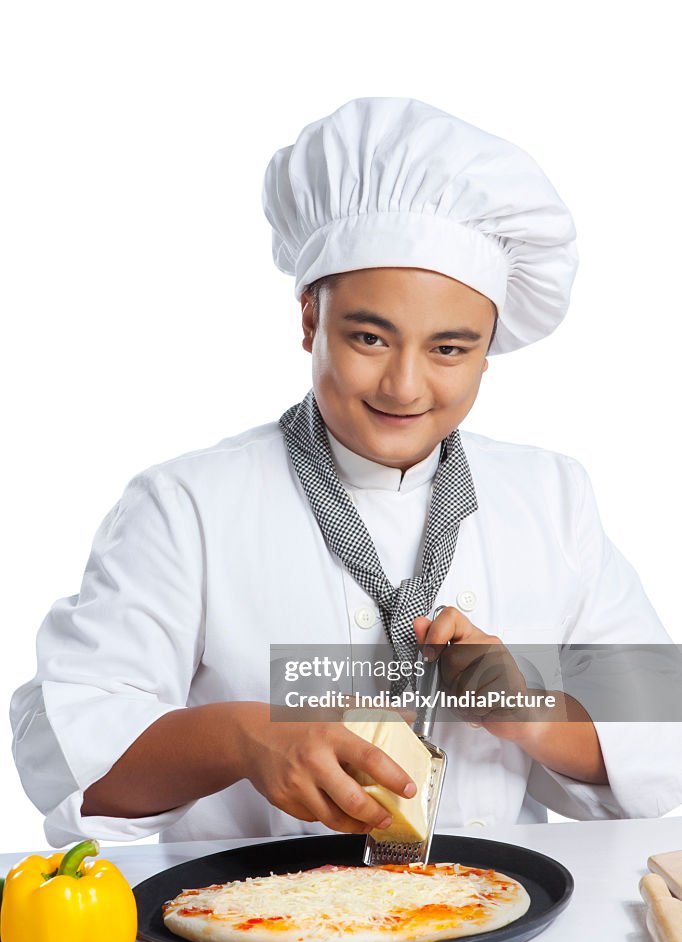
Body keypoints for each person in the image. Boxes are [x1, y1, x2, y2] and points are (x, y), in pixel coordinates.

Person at [10, 97, 680, 847]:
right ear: (309, 320)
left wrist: (527, 709)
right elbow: (73, 758)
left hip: (496, 919)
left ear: (488, 349)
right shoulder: (187, 506)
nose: (404, 386)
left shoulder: (550, 498)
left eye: (449, 349)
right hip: (259, 930)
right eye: (369, 336)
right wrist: (244, 736)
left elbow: (661, 735)